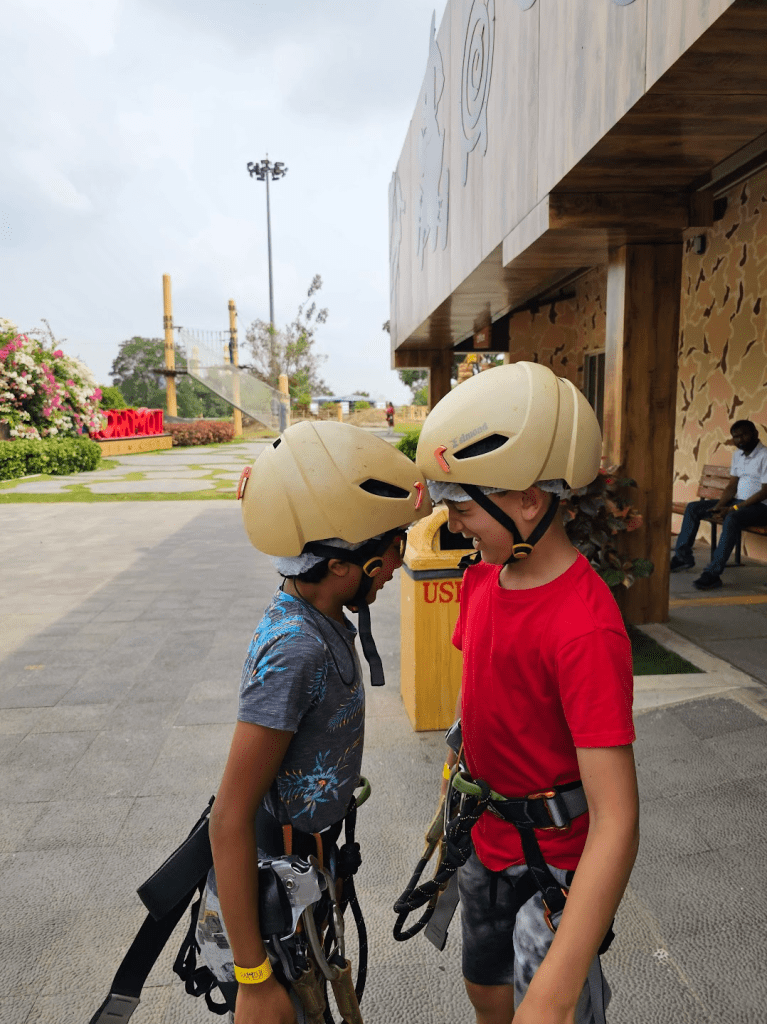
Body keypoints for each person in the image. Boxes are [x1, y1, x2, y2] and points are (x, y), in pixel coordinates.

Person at [416, 361, 639, 1024]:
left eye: (461, 509)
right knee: (484, 991)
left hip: (553, 867)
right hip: (483, 839)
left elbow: (617, 819)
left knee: (538, 1007)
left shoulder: (583, 627)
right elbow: (483, 695)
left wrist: (559, 983)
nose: (453, 525)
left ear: (528, 501)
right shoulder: (486, 575)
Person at [197, 420, 431, 1024]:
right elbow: (230, 815)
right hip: (276, 888)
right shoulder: (295, 650)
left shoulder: (320, 619)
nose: (396, 564)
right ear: (340, 564)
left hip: (311, 868)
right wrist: (252, 979)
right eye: (391, 548)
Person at [670, 419, 767, 590]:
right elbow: (732, 485)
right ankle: (683, 557)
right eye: (735, 437)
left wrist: (733, 508)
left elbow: (764, 492)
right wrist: (719, 506)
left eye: (743, 434)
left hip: (760, 507)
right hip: (736, 503)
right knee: (694, 508)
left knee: (732, 518)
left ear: (755, 434)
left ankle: (713, 574)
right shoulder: (738, 455)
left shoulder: (765, 456)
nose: (739, 440)